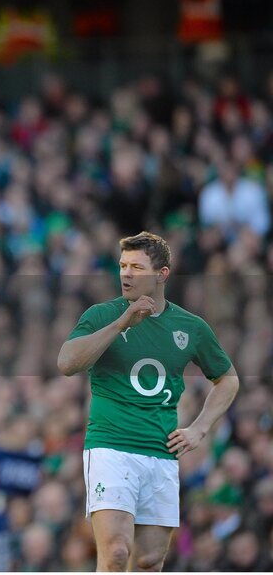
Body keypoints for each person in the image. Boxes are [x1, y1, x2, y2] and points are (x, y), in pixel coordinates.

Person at [57, 231, 240, 571]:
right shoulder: (102, 315)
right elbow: (67, 363)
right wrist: (122, 323)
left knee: (149, 561)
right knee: (116, 553)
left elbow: (227, 379)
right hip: (111, 447)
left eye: (137, 267)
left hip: (161, 453)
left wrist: (200, 428)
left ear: (162, 274)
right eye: (123, 266)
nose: (126, 274)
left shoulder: (190, 327)